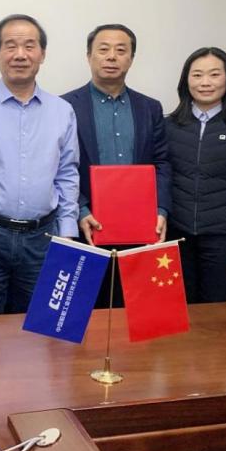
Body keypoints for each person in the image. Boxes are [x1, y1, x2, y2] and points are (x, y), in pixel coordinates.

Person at [0, 14, 79, 316]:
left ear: (42, 54)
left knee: (41, 326)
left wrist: (68, 233)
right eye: (10, 46)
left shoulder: (62, 111)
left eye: (29, 46)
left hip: (43, 237)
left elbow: (67, 175)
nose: (20, 54)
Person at [61, 23, 171, 307]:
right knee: (85, 312)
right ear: (89, 56)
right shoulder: (64, 107)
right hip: (86, 225)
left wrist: (160, 210)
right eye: (103, 49)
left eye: (121, 50)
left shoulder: (150, 108)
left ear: (131, 59)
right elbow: (60, 167)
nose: (112, 56)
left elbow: (162, 162)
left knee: (137, 311)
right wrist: (80, 210)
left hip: (141, 228)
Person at [164, 47, 226, 303]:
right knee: (177, 311)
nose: (205, 82)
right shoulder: (168, 126)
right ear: (186, 81)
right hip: (176, 237)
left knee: (218, 315)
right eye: (197, 75)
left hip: (224, 239)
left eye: (214, 74)